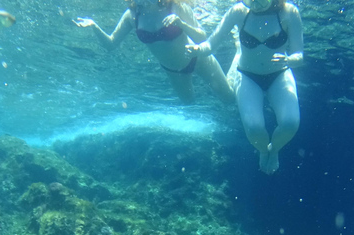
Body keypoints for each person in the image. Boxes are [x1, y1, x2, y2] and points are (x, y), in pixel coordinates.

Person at [189, 0, 302, 173]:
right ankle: (264, 150)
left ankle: (275, 149)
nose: (255, 4)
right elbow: (211, 45)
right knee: (254, 128)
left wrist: (290, 60)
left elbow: (299, 54)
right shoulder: (238, 11)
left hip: (280, 74)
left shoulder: (289, 12)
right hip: (247, 75)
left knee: (290, 123)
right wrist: (197, 49)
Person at [74, 0, 233, 104]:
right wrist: (94, 26)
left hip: (199, 58)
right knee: (188, 102)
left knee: (229, 98)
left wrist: (181, 24)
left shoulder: (175, 6)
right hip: (173, 70)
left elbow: (202, 37)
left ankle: (236, 67)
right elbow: (111, 44)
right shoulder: (132, 15)